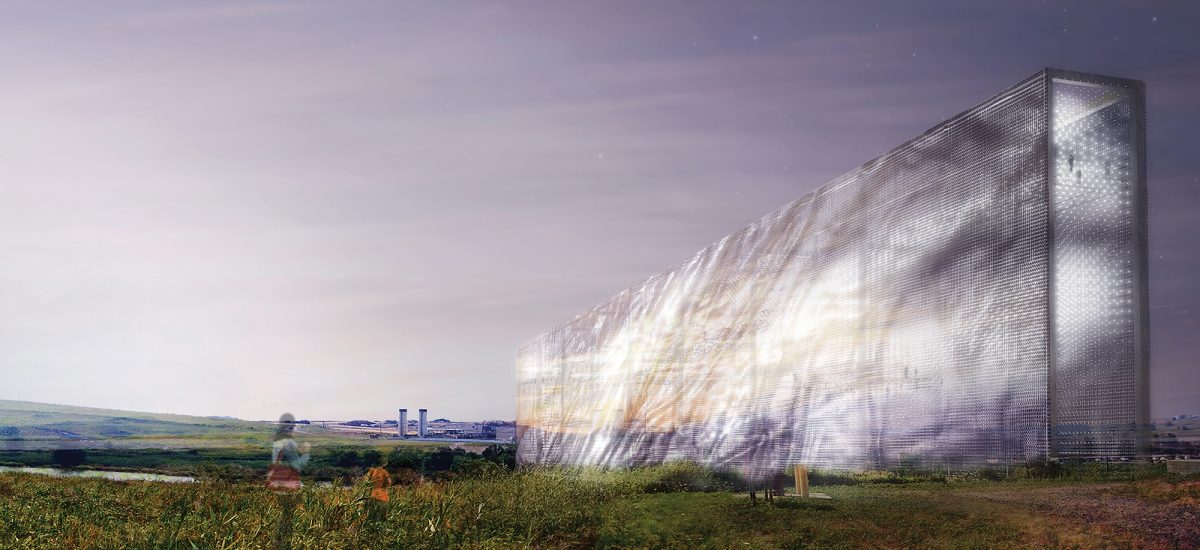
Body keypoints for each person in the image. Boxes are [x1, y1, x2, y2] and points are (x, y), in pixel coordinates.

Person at [269, 413, 310, 550]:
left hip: (276, 481)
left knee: (283, 512)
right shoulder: (289, 442)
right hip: (288, 481)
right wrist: (306, 453)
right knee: (288, 513)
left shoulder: (276, 440)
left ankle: (277, 541)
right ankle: (284, 543)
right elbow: (297, 464)